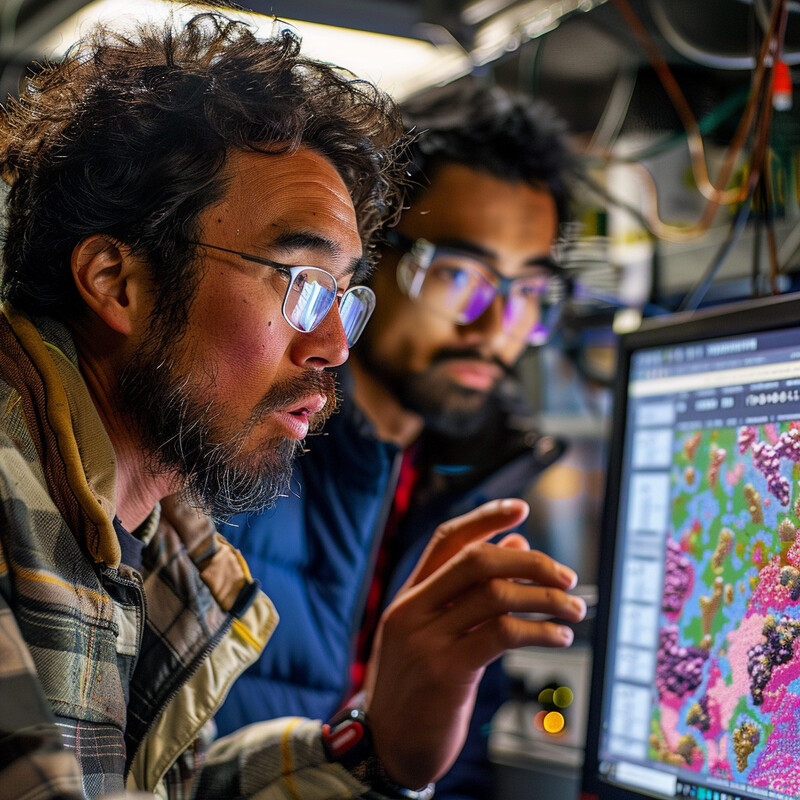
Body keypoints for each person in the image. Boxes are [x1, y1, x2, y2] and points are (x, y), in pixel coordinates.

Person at [0, 13, 587, 800]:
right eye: (299, 282)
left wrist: (375, 742)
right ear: (115, 280)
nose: (333, 346)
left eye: (342, 298)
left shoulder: (165, 536)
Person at [215, 79, 579, 799]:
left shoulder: (487, 487)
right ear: (367, 255)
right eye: (458, 275)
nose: (493, 326)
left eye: (527, 291)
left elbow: (456, 765)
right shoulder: (230, 458)